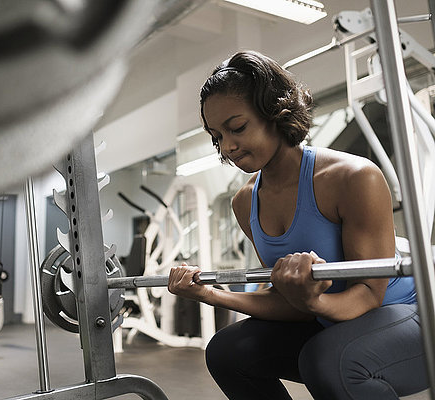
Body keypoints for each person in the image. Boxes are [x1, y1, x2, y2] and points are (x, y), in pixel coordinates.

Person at [168, 50, 427, 400]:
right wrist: (207, 293)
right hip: (337, 320)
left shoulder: (353, 177)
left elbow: (367, 295)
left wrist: (312, 302)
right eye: (217, 136)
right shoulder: (244, 202)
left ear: (275, 112)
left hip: (413, 313)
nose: (227, 146)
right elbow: (286, 299)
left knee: (329, 360)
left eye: (237, 127)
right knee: (227, 351)